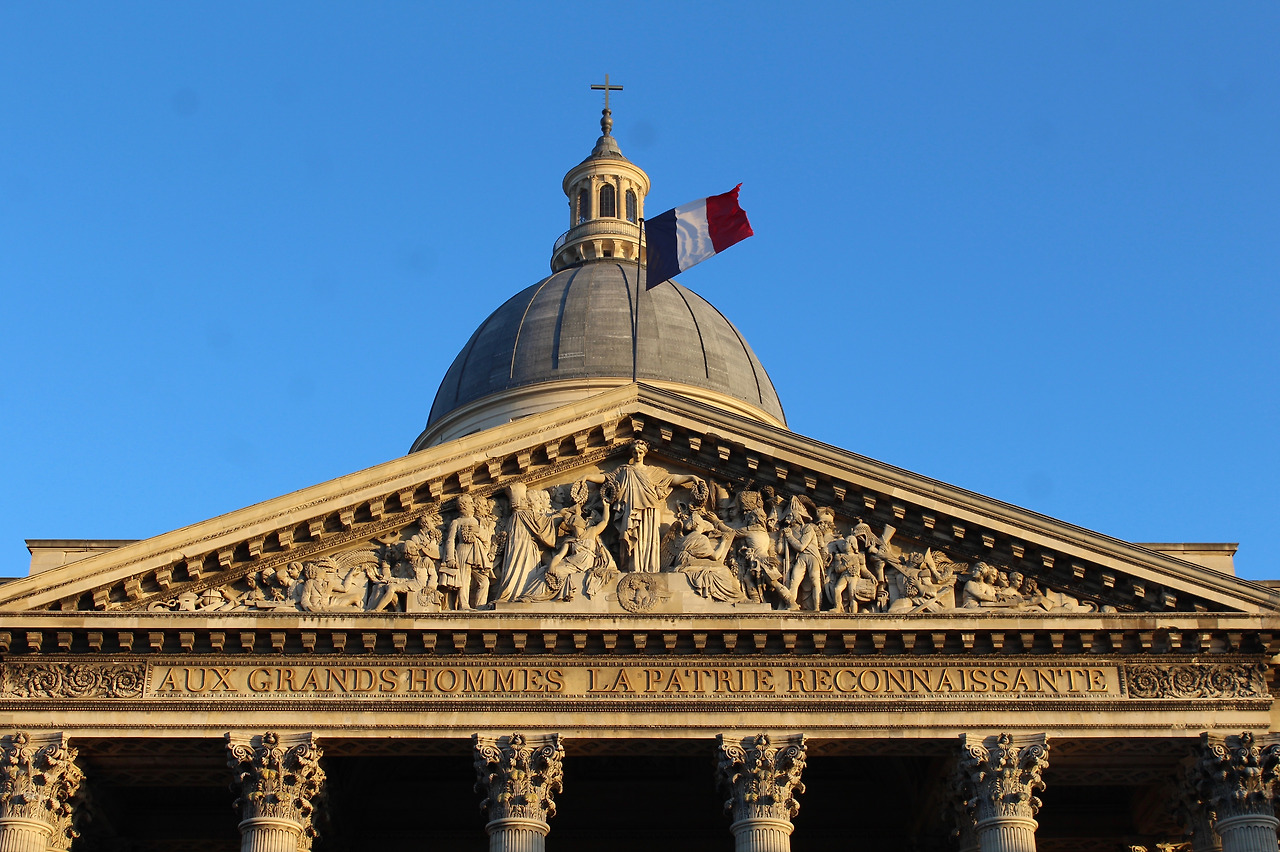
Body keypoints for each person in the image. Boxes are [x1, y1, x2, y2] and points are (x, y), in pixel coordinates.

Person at [580, 439, 703, 574]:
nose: (637, 455)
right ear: (632, 453)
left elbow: (672, 479)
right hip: (629, 508)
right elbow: (606, 478)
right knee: (629, 538)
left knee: (648, 539)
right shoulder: (623, 471)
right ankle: (630, 567)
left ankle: (649, 568)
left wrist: (690, 477)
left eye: (640, 452)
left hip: (650, 510)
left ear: (644, 453)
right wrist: (587, 476)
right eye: (635, 452)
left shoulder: (652, 472)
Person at [493, 483, 557, 602]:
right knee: (524, 571)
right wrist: (560, 515)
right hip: (526, 550)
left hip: (513, 551)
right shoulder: (525, 514)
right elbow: (543, 525)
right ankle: (519, 594)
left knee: (513, 570)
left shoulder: (512, 517)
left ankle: (510, 593)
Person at [441, 494, 492, 610]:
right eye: (470, 503)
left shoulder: (478, 520)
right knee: (463, 579)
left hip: (477, 552)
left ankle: (480, 605)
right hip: (463, 550)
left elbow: (486, 537)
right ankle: (464, 605)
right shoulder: (457, 522)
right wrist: (450, 558)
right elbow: (450, 540)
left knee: (484, 581)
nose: (473, 505)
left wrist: (478, 531)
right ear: (463, 506)